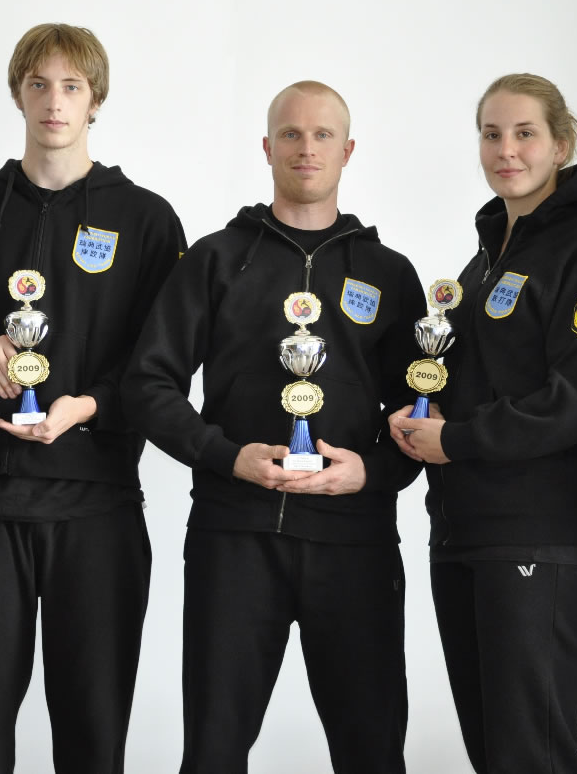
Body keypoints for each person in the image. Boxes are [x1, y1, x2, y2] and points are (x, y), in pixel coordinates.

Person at [121, 80, 426, 774]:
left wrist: (370, 473)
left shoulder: (387, 273)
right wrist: (224, 457)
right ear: (266, 147)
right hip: (236, 539)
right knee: (214, 751)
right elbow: (148, 382)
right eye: (291, 134)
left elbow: (420, 415)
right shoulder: (217, 259)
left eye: (323, 136)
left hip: (355, 544)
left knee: (372, 752)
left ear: (348, 151)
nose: (307, 148)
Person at [0, 23, 185, 773]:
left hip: (96, 505)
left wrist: (87, 406)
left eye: (70, 85)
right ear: (17, 94)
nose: (54, 101)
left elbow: (161, 365)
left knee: (93, 734)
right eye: (38, 84)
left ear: (95, 99)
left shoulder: (148, 221)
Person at [390, 73, 577, 774]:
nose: (506, 149)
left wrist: (457, 439)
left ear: (561, 143)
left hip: (540, 538)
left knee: (532, 757)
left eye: (525, 132)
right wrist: (414, 417)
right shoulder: (484, 261)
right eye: (492, 133)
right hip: (463, 535)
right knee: (497, 758)